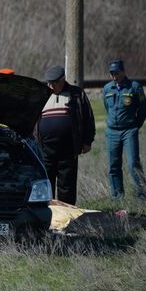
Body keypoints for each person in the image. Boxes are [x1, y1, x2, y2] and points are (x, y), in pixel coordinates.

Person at [34, 65, 95, 205]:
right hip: (44, 150)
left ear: (62, 80)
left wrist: (87, 141)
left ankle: (67, 218)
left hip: (68, 149)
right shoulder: (42, 94)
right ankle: (46, 216)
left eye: (53, 83)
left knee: (67, 186)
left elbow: (88, 118)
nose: (50, 86)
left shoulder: (76, 94)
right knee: (45, 186)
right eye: (48, 83)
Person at [103, 59, 146, 200]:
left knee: (133, 163)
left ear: (123, 71)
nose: (114, 76)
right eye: (112, 73)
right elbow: (107, 107)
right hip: (112, 132)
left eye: (116, 72)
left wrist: (134, 125)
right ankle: (117, 196)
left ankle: (142, 196)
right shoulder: (107, 88)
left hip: (129, 130)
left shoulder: (134, 87)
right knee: (113, 166)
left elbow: (143, 110)